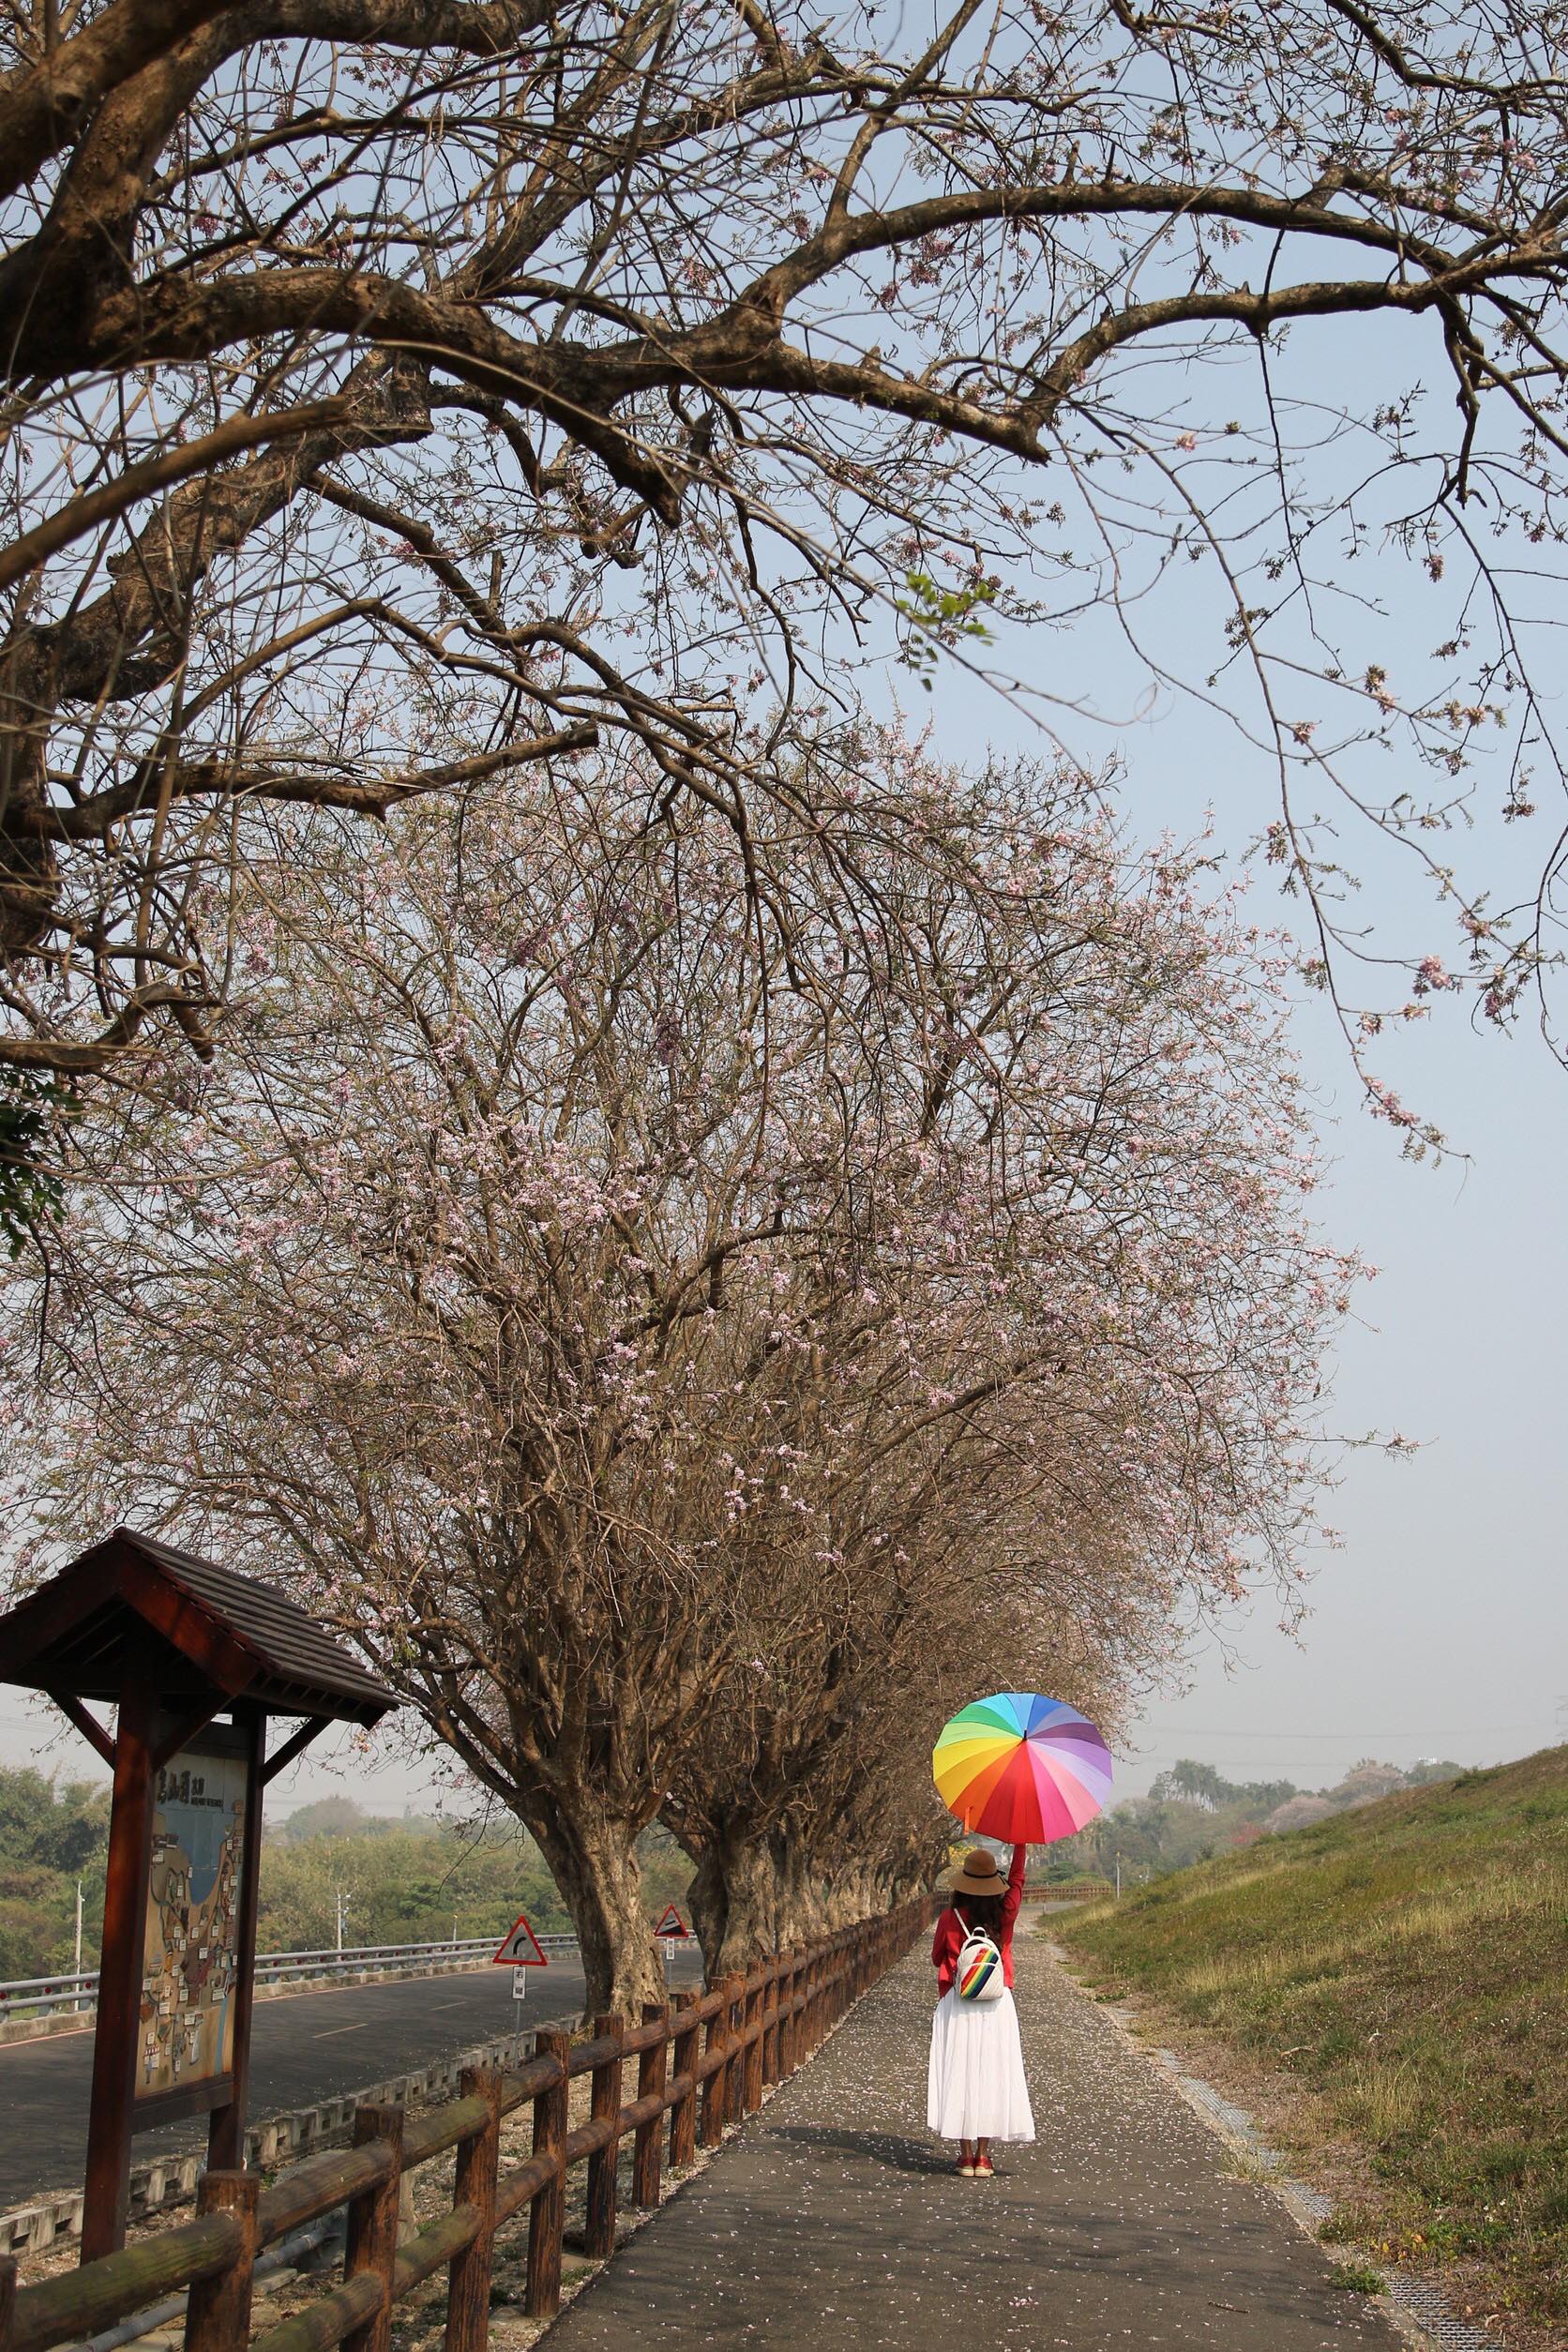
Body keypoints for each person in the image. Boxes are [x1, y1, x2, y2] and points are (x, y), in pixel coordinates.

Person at [927, 1842, 1035, 2177]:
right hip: (996, 2003)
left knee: (960, 2072)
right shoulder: (1005, 1913)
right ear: (993, 1881)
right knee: (991, 2073)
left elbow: (936, 1960)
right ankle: (984, 2157)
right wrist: (1020, 1843)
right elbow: (1017, 1880)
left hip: (958, 2003)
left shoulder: (949, 1917)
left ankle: (964, 2155)